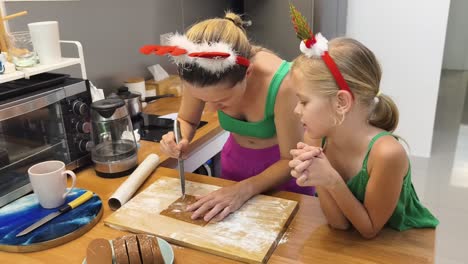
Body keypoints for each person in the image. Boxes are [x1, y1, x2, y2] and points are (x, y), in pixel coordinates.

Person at [141, 11, 314, 222]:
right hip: (234, 171)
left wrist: (243, 190)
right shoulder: (198, 69)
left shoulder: (283, 84)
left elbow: (292, 160)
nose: (212, 110)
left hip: (283, 180)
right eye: (203, 99)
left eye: (222, 102)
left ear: (248, 74)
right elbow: (187, 120)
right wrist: (180, 138)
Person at [287, 4, 439, 238]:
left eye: (304, 101)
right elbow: (339, 224)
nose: (296, 110)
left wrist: (330, 178)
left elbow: (368, 229)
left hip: (403, 242)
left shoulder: (388, 154)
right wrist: (321, 177)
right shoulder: (316, 138)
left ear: (341, 103)